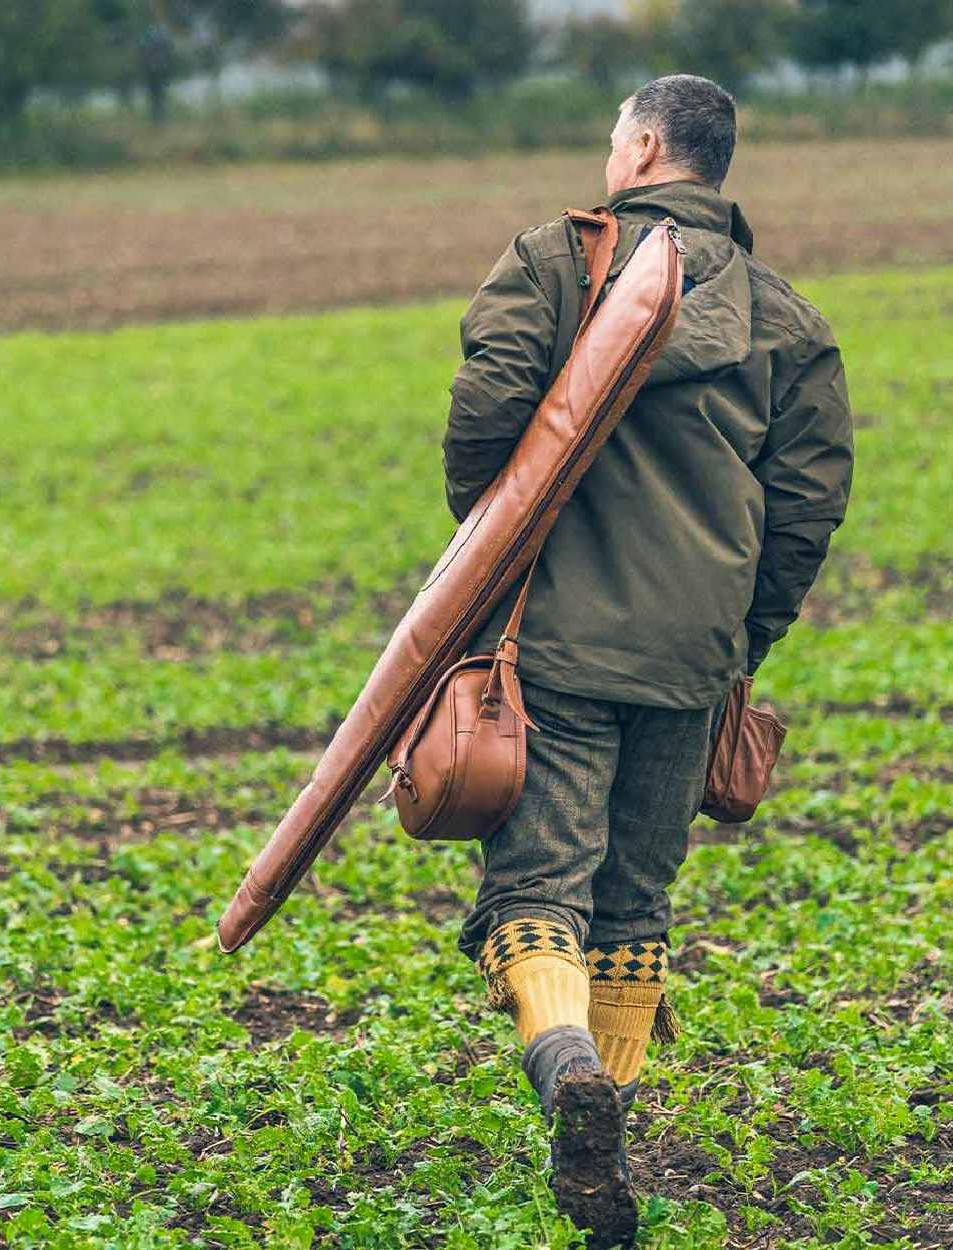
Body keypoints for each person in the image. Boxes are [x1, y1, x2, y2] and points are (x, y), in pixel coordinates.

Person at [442, 74, 854, 1249]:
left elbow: (482, 422)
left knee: (537, 889)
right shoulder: (786, 317)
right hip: (694, 657)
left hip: (558, 639)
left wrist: (497, 566)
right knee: (634, 899)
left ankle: (567, 1067)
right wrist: (738, 638)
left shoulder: (558, 261)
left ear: (643, 147)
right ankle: (608, 1124)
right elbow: (806, 509)